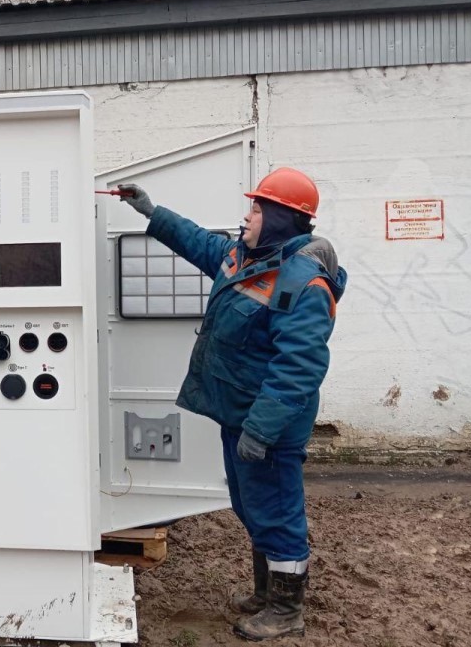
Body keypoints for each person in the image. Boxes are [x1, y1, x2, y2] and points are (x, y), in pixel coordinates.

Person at [117, 168, 347, 642]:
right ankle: (266, 593)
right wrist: (151, 211)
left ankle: (286, 609)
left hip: (270, 426)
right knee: (249, 504)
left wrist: (261, 432)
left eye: (258, 209)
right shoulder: (245, 257)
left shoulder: (303, 284)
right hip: (239, 414)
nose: (247, 216)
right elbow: (199, 242)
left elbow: (298, 368)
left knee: (276, 511)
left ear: (283, 218)